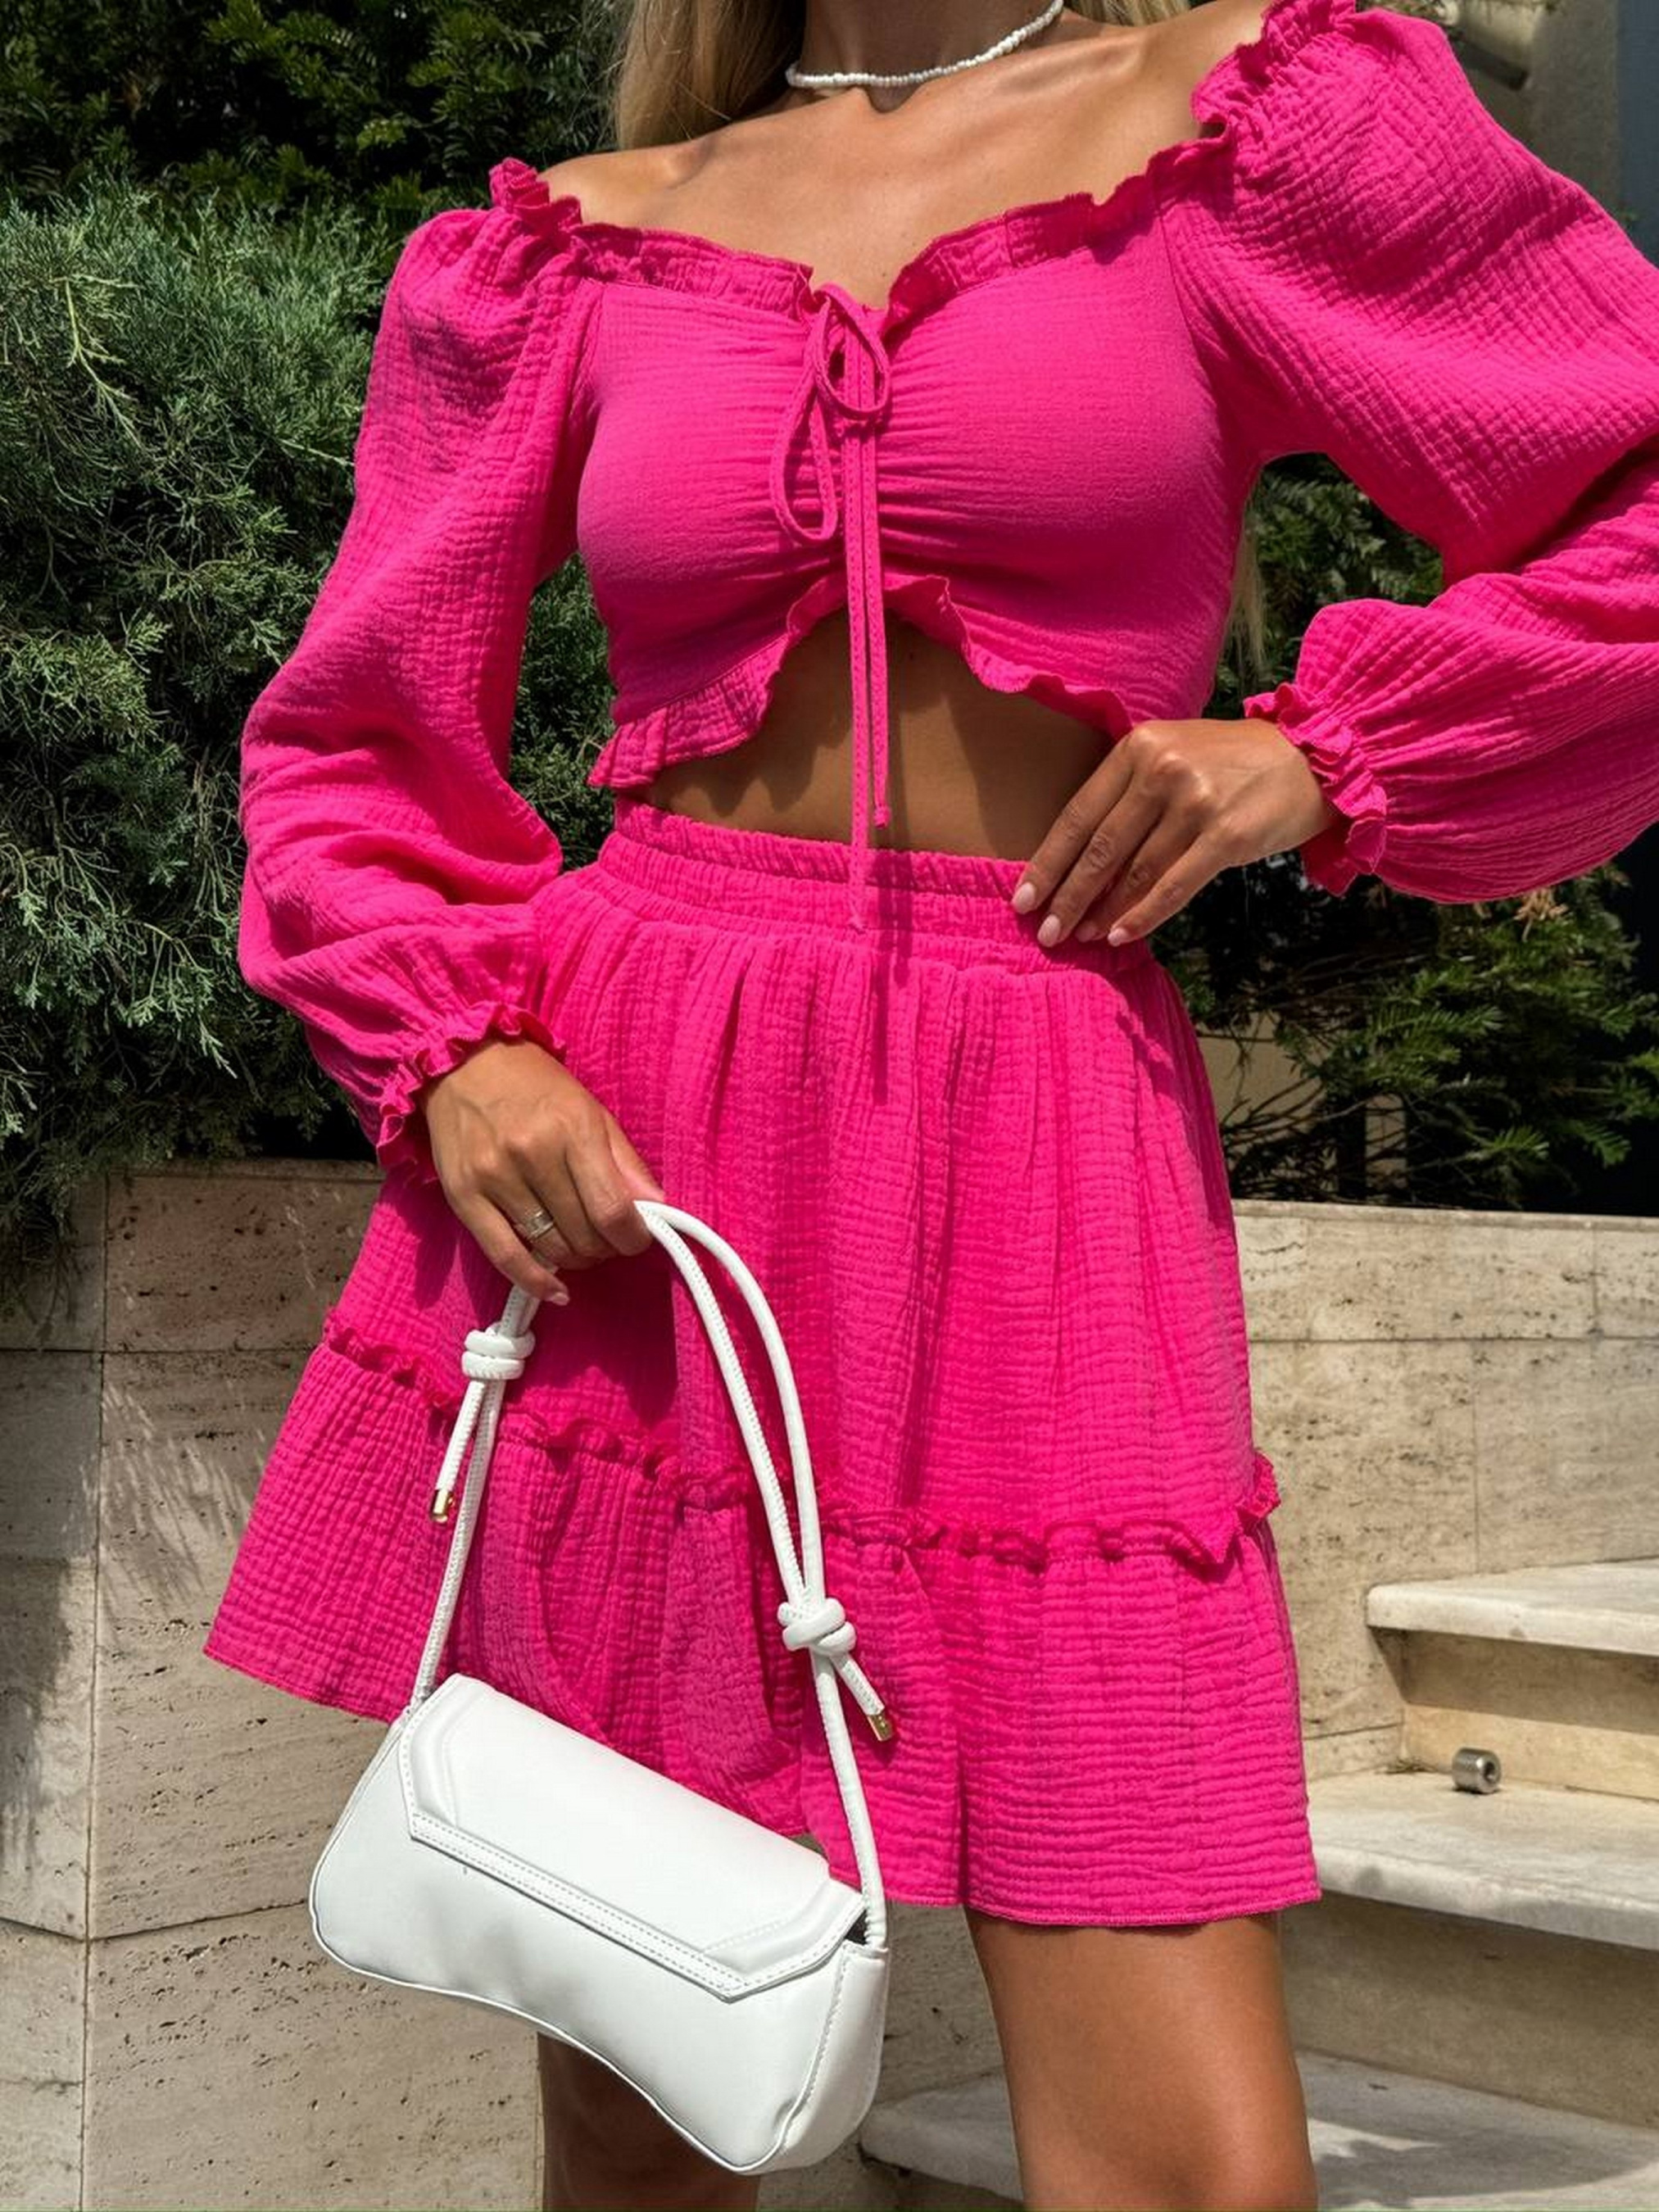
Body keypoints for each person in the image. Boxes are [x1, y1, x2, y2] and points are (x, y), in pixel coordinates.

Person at [203, 0, 1659, 2205]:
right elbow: (351, 735)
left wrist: (1327, 752)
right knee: (644, 2073)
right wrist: (455, 1045)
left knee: (1188, 2155)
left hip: (1041, 1126)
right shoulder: (571, 245)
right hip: (640, 1164)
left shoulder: (1247, 123)